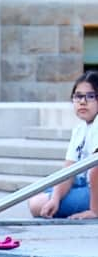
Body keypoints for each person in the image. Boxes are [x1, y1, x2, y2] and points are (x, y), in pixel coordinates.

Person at [28, 71, 98, 219]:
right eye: (78, 96)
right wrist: (55, 198)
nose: (82, 102)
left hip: (94, 188)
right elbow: (68, 171)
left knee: (37, 203)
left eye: (90, 96)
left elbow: (96, 168)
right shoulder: (80, 130)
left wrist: (94, 211)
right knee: (39, 195)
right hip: (83, 183)